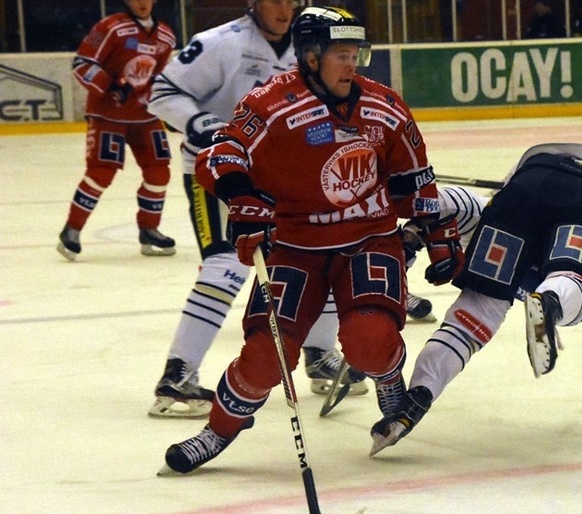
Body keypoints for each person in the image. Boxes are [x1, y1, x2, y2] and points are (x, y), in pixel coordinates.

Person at [160, 6, 464, 474]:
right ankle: (217, 430)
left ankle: (386, 375)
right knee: (266, 357)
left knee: (369, 340)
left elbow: (415, 180)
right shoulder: (272, 104)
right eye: (342, 54)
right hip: (296, 248)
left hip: (368, 242)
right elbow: (220, 154)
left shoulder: (384, 105)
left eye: (356, 53)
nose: (353, 64)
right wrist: (242, 198)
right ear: (310, 56)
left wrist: (437, 233)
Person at [370, 144, 582, 456]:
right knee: (580, 282)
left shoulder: (486, 211)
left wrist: (410, 237)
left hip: (522, 189)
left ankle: (416, 399)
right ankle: (552, 301)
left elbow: (445, 202)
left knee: (471, 319)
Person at [145, 0, 357, 418]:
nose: (284, 8)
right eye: (274, 0)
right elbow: (161, 92)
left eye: (290, 1)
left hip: (279, 179)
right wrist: (201, 123)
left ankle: (318, 353)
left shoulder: (308, 47)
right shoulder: (221, 43)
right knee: (225, 265)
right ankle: (177, 374)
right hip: (219, 175)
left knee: (326, 250)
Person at [58, 0, 177, 261]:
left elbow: (161, 76)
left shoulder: (166, 35)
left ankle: (149, 229)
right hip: (107, 114)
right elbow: (83, 63)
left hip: (145, 115)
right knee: (101, 171)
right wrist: (111, 86)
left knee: (159, 171)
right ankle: (72, 229)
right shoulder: (111, 27)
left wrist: (168, 106)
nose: (143, 2)